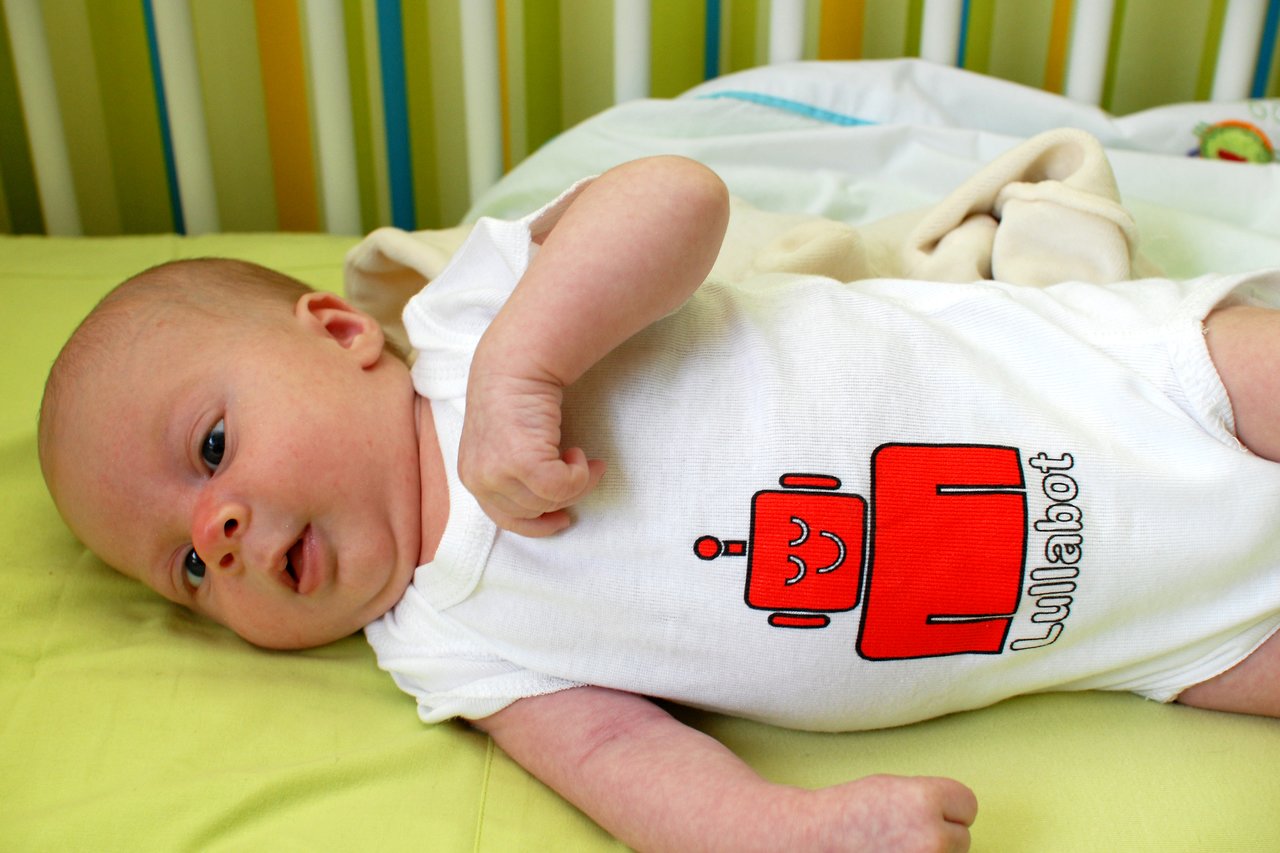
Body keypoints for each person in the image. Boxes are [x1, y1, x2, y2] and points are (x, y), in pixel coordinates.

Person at [37, 154, 1280, 852]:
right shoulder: (446, 646)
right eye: (186, 571)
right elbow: (626, 762)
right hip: (1152, 632)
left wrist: (531, 364)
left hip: (1126, 386)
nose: (219, 533)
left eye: (209, 445)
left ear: (339, 331)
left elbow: (677, 199)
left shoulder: (477, 325)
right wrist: (783, 835)